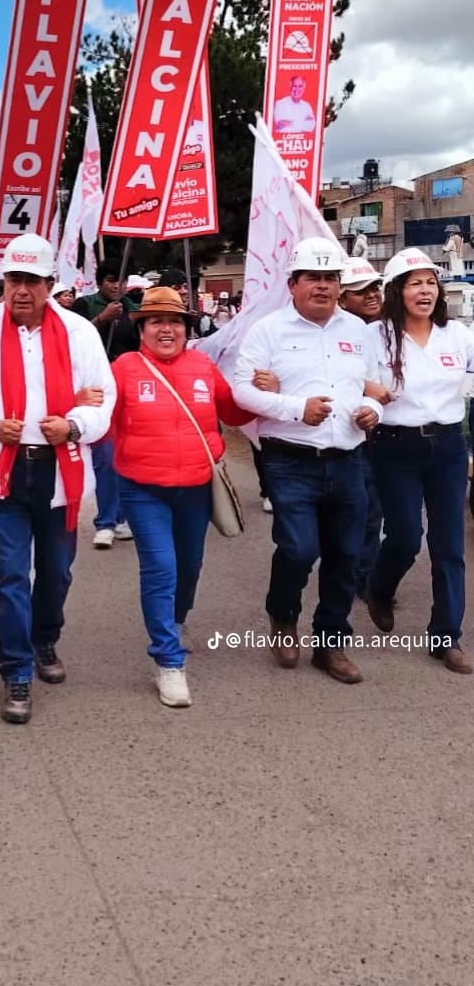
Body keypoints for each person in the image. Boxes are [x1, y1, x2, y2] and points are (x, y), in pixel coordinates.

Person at [0, 234, 115, 725]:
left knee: (57, 571)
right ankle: (16, 671)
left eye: (32, 281)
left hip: (59, 469)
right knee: (13, 575)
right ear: (4, 282)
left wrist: (75, 425)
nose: (21, 290)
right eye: (13, 280)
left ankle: (45, 638)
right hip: (2, 469)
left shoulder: (80, 331)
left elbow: (103, 400)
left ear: (50, 284)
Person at [233, 236, 381, 685]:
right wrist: (296, 408)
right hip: (290, 460)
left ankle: (331, 644)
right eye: (312, 277)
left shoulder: (359, 331)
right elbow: (242, 391)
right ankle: (282, 615)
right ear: (292, 283)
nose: (322, 286)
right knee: (299, 548)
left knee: (346, 554)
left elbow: (375, 388)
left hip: (349, 459)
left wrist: (376, 412)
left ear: (340, 285)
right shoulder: (267, 331)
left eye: (330, 278)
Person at [112, 287, 252, 708]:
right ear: (142, 329)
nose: (166, 329)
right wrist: (81, 406)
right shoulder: (124, 368)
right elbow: (100, 424)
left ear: (187, 328)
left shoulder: (203, 366)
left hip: (196, 488)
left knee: (189, 567)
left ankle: (173, 622)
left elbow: (235, 413)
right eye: (156, 321)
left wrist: (266, 388)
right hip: (141, 488)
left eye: (174, 321)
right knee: (161, 568)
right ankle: (169, 660)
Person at [364, 249, 474, 673]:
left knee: (449, 545)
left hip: (447, 446)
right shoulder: (376, 337)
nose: (424, 290)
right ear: (397, 291)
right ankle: (379, 585)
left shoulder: (457, 335)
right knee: (406, 536)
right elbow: (347, 374)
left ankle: (446, 637)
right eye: (415, 283)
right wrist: (368, 387)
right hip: (394, 447)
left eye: (430, 282)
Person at [73, 262, 137, 547]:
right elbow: (70, 339)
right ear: (100, 282)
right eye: (111, 280)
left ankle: (123, 517)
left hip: (130, 389)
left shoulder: (135, 308)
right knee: (105, 455)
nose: (117, 286)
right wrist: (102, 319)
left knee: (128, 454)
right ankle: (106, 521)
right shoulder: (83, 305)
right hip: (97, 391)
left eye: (121, 281)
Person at [339, 257, 384, 598]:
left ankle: (367, 572)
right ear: (342, 298)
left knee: (381, 513)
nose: (370, 295)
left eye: (374, 288)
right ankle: (361, 577)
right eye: (360, 291)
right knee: (365, 512)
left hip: (393, 437)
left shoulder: (394, 327)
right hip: (353, 439)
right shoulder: (333, 334)